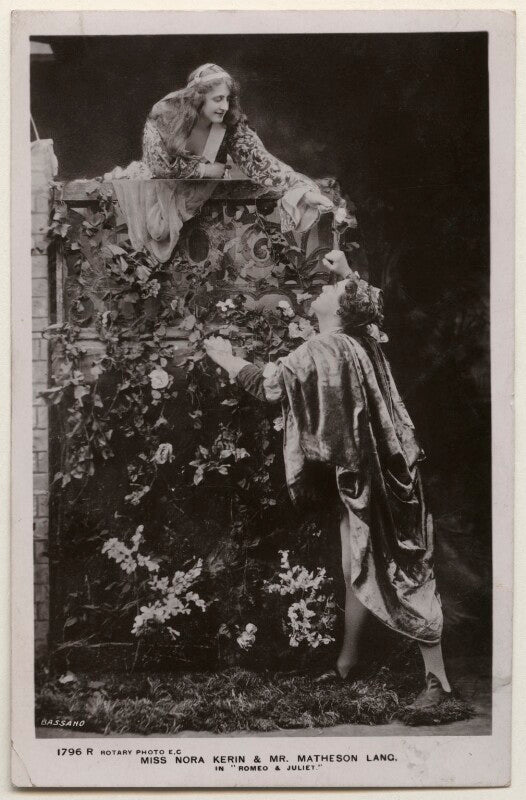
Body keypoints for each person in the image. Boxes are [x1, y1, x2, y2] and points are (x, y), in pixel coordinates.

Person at [204, 249, 453, 711]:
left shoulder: (327, 345)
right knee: (356, 564)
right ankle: (347, 662)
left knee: (401, 563)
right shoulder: (359, 338)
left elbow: (268, 385)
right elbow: (367, 308)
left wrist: (222, 357)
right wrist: (348, 275)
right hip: (372, 474)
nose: (323, 287)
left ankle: (438, 683)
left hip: (373, 478)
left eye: (331, 289)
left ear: (339, 310)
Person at [107, 63, 334, 260]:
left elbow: (261, 163)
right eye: (217, 99)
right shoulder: (165, 114)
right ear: (198, 98)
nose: (224, 106)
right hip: (158, 194)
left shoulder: (228, 125)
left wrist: (303, 190)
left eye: (227, 99)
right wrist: (206, 170)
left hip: (199, 203)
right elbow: (159, 166)